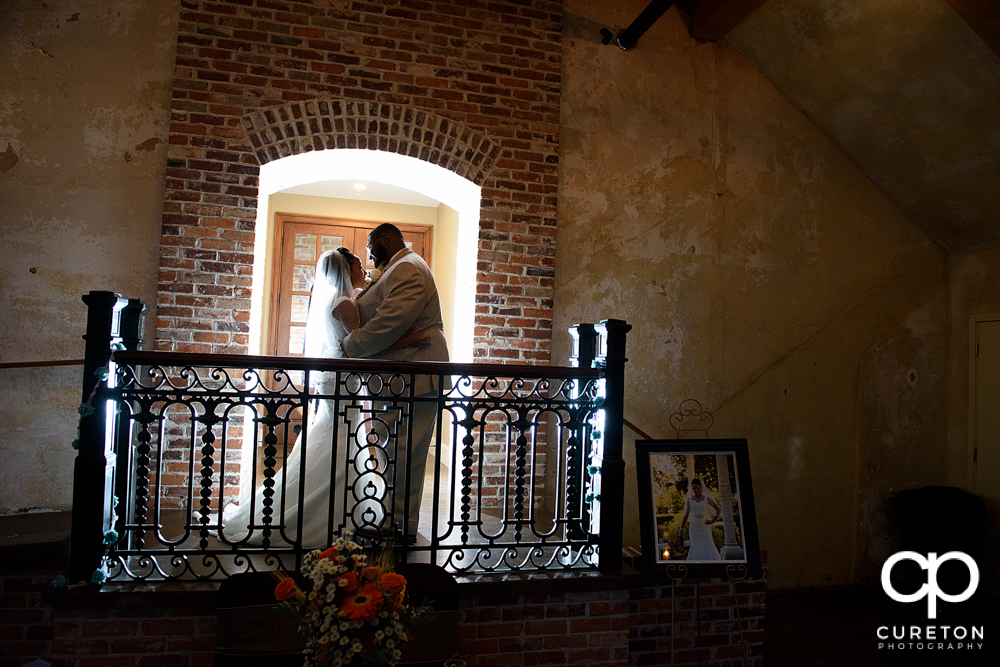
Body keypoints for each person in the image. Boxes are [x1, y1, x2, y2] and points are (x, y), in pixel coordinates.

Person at [223, 247, 427, 548]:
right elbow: (359, 343)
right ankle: (330, 512)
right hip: (342, 378)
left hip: (338, 377)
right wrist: (408, 339)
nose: (364, 268)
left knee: (339, 434)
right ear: (347, 269)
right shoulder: (344, 301)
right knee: (340, 436)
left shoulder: (339, 298)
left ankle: (345, 507)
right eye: (358, 264)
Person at [341, 223, 450, 542]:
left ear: (384, 239)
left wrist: (349, 346)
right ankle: (390, 520)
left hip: (414, 374)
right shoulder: (400, 268)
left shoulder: (408, 269)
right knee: (393, 450)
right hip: (400, 375)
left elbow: (387, 324)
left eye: (370, 247)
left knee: (405, 452)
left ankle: (400, 527)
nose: (369, 255)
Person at [679, 478, 722, 561]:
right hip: (694, 526)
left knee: (708, 543)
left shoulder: (706, 499)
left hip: (704, 525)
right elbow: (686, 514)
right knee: (695, 544)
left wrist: (713, 521)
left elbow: (718, 509)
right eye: (694, 488)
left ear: (701, 488)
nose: (696, 490)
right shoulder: (690, 500)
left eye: (698, 488)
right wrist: (682, 526)